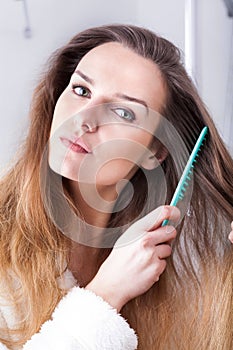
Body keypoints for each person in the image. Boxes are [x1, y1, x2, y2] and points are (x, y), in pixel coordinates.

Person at [0, 24, 232, 350]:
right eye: (81, 90)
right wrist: (107, 294)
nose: (84, 119)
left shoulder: (161, 274)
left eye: (122, 111)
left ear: (155, 151)